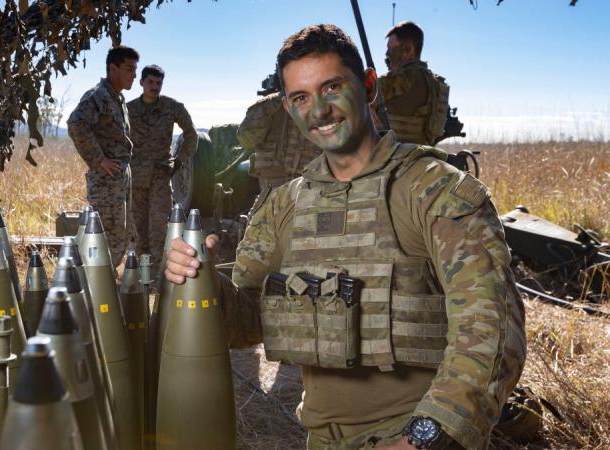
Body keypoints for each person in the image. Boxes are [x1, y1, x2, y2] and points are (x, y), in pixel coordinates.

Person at [165, 24, 525, 450]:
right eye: (301, 97)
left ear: (369, 85)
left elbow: (494, 334)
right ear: (287, 106)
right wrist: (204, 283)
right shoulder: (284, 206)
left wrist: (423, 438)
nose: (319, 110)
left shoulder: (434, 191)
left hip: (418, 438)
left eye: (332, 87)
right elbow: (247, 323)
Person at [68, 45, 139, 267]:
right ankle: (95, 285)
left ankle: (106, 281)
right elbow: (76, 123)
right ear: (113, 68)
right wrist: (98, 159)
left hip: (118, 181)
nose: (134, 75)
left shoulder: (117, 99)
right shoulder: (99, 96)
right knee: (104, 236)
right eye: (129, 69)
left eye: (135, 70)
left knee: (120, 233)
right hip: (106, 184)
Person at [127, 64, 198, 273]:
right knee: (138, 230)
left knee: (159, 229)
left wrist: (179, 160)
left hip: (160, 177)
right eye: (150, 82)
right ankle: (142, 276)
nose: (154, 87)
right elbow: (115, 138)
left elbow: (191, 135)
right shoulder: (128, 109)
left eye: (158, 83)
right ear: (141, 83)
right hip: (136, 178)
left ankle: (159, 278)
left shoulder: (172, 107)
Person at [237, 92, 322, 212]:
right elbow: (246, 139)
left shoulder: (322, 103)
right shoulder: (271, 105)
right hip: (274, 189)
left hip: (310, 189)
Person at [378, 21, 450, 145]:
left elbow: (356, 93)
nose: (387, 54)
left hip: (396, 158)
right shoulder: (436, 84)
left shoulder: (399, 80)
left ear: (408, 50)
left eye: (391, 49)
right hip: (423, 155)